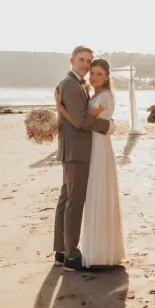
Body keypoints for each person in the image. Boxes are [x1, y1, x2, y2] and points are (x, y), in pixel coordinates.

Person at [55, 58, 125, 268]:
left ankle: (91, 251)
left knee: (94, 196)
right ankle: (70, 250)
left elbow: (82, 121)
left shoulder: (103, 97)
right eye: (92, 72)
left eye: (98, 74)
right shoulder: (92, 94)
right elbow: (85, 119)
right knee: (80, 197)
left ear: (107, 78)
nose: (93, 76)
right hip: (91, 147)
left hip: (98, 149)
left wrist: (59, 106)